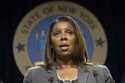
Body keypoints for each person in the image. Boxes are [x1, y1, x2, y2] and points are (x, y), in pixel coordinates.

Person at [23, 16, 115, 83]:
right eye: (57, 33)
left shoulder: (100, 74)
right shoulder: (34, 76)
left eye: (69, 32)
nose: (63, 37)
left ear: (77, 40)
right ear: (50, 43)